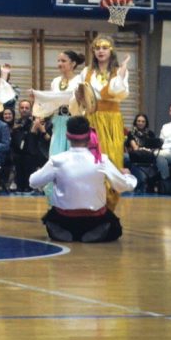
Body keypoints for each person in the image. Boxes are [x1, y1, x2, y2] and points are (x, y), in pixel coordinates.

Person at [30, 35, 130, 210]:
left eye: (104, 47)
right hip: (90, 119)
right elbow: (80, 99)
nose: (100, 51)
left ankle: (109, 207)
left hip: (112, 121)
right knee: (90, 160)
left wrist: (121, 71)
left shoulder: (119, 71)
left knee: (111, 161)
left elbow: (118, 92)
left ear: (111, 50)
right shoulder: (86, 72)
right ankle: (86, 203)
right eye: (97, 48)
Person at [28, 115, 136, 242]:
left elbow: (33, 182)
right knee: (114, 227)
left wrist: (42, 172)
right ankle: (93, 231)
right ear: (89, 136)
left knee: (52, 217)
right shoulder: (101, 160)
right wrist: (127, 175)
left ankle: (63, 231)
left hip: (64, 219)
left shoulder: (57, 160)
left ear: (67, 136)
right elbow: (123, 186)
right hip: (94, 219)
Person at [31, 50, 85, 158]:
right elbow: (51, 101)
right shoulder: (55, 81)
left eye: (63, 61)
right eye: (58, 61)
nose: (59, 64)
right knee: (56, 154)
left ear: (73, 63)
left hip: (75, 121)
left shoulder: (80, 80)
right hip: (59, 120)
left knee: (73, 154)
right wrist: (38, 98)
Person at [10, 99, 50, 194]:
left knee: (29, 186)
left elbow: (47, 138)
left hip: (31, 156)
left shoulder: (37, 122)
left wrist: (39, 128)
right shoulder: (16, 123)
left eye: (26, 108)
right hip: (18, 155)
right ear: (19, 109)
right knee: (19, 185)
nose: (24, 110)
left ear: (30, 110)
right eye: (22, 107)